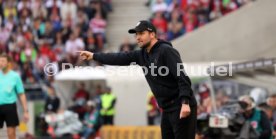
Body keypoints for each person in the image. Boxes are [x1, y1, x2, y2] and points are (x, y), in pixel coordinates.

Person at [78, 20, 197, 139]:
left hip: (180, 106)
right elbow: (119, 58)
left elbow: (182, 77)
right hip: (166, 109)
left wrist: (185, 103)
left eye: (141, 33)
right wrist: (94, 56)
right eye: (136, 35)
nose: (138, 37)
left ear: (152, 34)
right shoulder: (141, 55)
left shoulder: (166, 51)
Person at [0, 53, 29, 139]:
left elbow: (22, 94)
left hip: (10, 106)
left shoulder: (15, 76)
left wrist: (26, 111)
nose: (0, 63)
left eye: (2, 61)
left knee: (11, 134)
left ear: (8, 63)